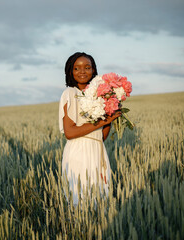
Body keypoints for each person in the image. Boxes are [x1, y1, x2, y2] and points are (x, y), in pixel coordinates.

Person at [59, 52, 120, 205]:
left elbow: (101, 136)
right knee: (79, 199)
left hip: (97, 149)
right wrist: (100, 122)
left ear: (94, 70)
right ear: (70, 72)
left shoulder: (98, 97)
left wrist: (109, 116)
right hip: (77, 152)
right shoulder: (70, 93)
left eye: (87, 67)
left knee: (100, 199)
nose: (82, 72)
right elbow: (70, 132)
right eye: (76, 68)